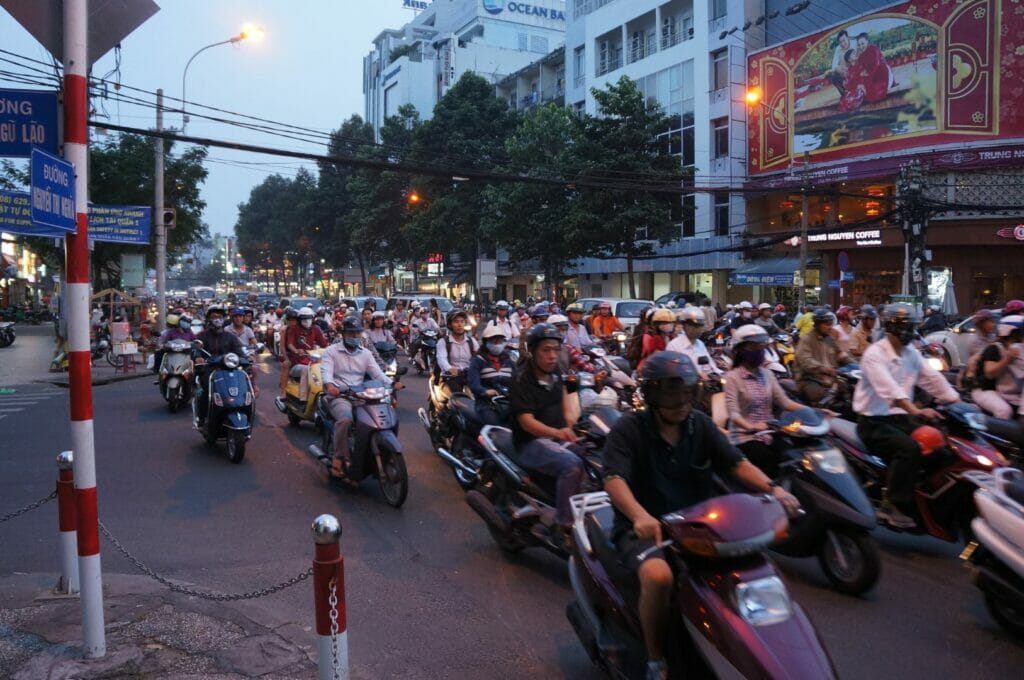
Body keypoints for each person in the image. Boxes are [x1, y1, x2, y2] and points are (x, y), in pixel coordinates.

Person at [601, 351, 800, 680]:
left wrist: (774, 489)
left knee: (755, 574)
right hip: (647, 530)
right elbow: (614, 479)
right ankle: (655, 658)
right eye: (670, 393)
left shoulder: (701, 425)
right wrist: (639, 515)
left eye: (685, 393)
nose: (680, 402)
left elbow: (736, 463)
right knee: (658, 577)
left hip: (700, 527)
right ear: (652, 395)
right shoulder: (630, 428)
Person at [853, 303, 961, 528]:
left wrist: (956, 400)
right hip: (873, 421)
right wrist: (915, 410)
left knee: (941, 445)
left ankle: (923, 496)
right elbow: (890, 389)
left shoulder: (911, 353)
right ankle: (891, 505)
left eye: (913, 325)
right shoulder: (874, 354)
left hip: (900, 418)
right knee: (909, 449)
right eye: (907, 326)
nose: (911, 330)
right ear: (892, 326)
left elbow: (931, 378)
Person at [508, 323, 584, 549]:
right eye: (546, 350)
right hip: (532, 442)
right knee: (572, 465)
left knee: (593, 455)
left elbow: (572, 398)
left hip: (558, 439)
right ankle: (564, 527)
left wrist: (573, 419)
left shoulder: (560, 373)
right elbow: (526, 423)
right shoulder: (521, 379)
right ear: (532, 351)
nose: (552, 356)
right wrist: (557, 432)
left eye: (556, 350)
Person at [725, 326, 806, 476]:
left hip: (770, 432)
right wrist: (751, 426)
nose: (759, 350)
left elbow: (785, 402)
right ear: (741, 350)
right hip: (744, 436)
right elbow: (733, 414)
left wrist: (811, 411)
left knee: (795, 455)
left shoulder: (767, 374)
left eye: (762, 346)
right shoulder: (732, 377)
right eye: (754, 347)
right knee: (766, 459)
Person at [320, 317, 391, 478]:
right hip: (340, 396)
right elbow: (326, 373)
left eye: (357, 333)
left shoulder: (365, 353)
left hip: (361, 395)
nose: (355, 336)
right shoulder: (331, 352)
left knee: (378, 419)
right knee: (345, 420)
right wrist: (330, 385)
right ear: (343, 334)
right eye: (351, 333)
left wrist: (391, 384)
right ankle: (339, 457)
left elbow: (377, 374)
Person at [193, 305, 246, 425]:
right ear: (209, 319)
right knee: (207, 390)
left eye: (220, 317)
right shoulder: (202, 335)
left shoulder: (230, 337)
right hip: (209, 370)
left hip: (228, 370)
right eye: (214, 317)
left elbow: (239, 352)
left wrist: (245, 359)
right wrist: (198, 357)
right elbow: (195, 350)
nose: (217, 319)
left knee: (241, 387)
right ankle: (202, 417)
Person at [970, 315, 1024, 420]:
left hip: (1006, 392)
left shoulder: (1018, 347)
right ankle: (992, 435)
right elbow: (989, 373)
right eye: (1020, 333)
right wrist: (1007, 359)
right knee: (1004, 411)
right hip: (985, 390)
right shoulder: (995, 348)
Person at [795, 307, 851, 404]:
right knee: (820, 397)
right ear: (817, 325)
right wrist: (823, 368)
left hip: (830, 378)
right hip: (810, 379)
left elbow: (840, 354)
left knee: (849, 390)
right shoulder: (807, 339)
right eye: (826, 324)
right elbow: (805, 360)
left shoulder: (830, 339)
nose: (830, 327)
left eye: (831, 324)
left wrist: (855, 364)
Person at [468, 325, 515, 425]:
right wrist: (485, 391)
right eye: (494, 341)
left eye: (500, 341)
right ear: (486, 343)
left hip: (508, 402)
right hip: (486, 404)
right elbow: (474, 384)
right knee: (495, 428)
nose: (498, 344)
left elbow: (518, 380)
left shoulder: (508, 361)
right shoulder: (477, 361)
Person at [665, 307, 720, 379]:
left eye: (699, 326)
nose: (697, 329)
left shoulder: (700, 344)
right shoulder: (674, 346)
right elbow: (673, 370)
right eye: (693, 326)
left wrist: (720, 374)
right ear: (684, 326)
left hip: (704, 385)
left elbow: (709, 366)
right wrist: (697, 374)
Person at [436, 309, 478, 400]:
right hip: (451, 377)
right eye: (456, 322)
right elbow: (441, 358)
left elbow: (480, 356)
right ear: (450, 325)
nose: (459, 325)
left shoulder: (472, 341)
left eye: (462, 321)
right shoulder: (443, 342)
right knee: (457, 401)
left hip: (469, 376)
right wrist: (449, 368)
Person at [286, 307, 328, 381]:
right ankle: (303, 392)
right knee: (307, 370)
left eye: (309, 318)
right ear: (299, 319)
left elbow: (324, 345)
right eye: (304, 319)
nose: (307, 321)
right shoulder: (293, 329)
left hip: (313, 360)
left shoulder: (316, 329)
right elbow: (290, 344)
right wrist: (296, 350)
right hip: (297, 363)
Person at [409, 305, 440, 370]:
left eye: (426, 313)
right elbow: (414, 329)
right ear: (421, 314)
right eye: (423, 313)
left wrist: (438, 330)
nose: (425, 315)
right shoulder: (417, 322)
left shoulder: (431, 320)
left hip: (431, 337)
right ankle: (415, 358)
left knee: (439, 344)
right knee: (416, 344)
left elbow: (436, 327)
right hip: (422, 337)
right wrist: (416, 330)